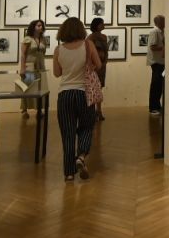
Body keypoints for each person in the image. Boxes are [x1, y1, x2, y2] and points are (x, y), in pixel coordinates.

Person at [51, 17, 102, 182]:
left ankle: (69, 173)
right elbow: (98, 65)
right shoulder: (88, 45)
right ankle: (81, 156)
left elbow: (57, 73)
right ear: (81, 29)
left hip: (65, 95)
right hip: (83, 93)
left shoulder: (58, 49)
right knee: (87, 126)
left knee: (67, 133)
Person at [18, 19, 47, 119]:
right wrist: (22, 68)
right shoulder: (27, 39)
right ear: (33, 27)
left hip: (40, 67)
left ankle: (39, 109)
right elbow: (23, 54)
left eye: (42, 25)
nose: (41, 27)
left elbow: (43, 52)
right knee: (27, 87)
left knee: (40, 88)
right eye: (38, 25)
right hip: (29, 67)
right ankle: (24, 110)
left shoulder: (43, 39)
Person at [87, 17, 110, 121]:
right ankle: (92, 112)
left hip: (102, 65)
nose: (104, 25)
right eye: (102, 23)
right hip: (94, 66)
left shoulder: (104, 37)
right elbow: (89, 53)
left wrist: (105, 62)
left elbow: (106, 52)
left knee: (99, 88)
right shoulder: (90, 37)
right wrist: (93, 65)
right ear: (97, 25)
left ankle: (99, 111)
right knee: (93, 88)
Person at [146, 14, 166, 115]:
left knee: (159, 85)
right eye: (164, 20)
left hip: (160, 62)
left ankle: (157, 106)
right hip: (156, 62)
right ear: (159, 22)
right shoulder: (154, 31)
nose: (165, 22)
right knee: (156, 85)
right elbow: (153, 47)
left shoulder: (161, 32)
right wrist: (165, 47)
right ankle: (153, 107)